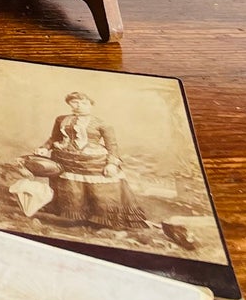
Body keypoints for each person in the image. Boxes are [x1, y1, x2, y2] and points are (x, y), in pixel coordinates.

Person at [18, 90, 149, 233]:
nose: (79, 106)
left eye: (84, 103)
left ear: (91, 105)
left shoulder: (102, 124)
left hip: (93, 161)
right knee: (72, 190)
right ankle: (74, 220)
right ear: (69, 104)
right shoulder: (61, 120)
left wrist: (111, 164)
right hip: (65, 159)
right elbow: (54, 138)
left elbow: (112, 146)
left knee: (99, 191)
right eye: (74, 102)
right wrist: (44, 148)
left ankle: (103, 222)